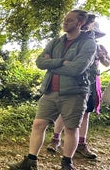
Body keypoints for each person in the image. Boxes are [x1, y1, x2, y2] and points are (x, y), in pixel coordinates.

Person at [8, 9, 96, 170]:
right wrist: (62, 62)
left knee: (71, 128)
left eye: (70, 20)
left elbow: (78, 68)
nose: (65, 22)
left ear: (80, 23)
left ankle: (67, 163)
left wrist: (51, 63)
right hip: (50, 90)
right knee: (38, 124)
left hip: (74, 93)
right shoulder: (56, 41)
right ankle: (31, 162)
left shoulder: (88, 43)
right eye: (65, 19)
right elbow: (40, 62)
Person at [47, 18, 110, 159]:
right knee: (65, 111)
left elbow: (107, 63)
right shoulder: (74, 45)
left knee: (86, 112)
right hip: (74, 80)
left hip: (92, 82)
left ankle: (81, 144)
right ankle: (55, 139)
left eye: (94, 33)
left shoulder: (99, 47)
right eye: (89, 31)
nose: (91, 35)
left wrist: (102, 57)